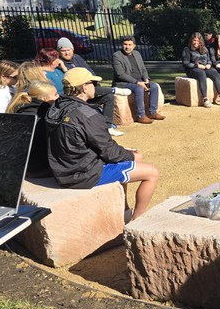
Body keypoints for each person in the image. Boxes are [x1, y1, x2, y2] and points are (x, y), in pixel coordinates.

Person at [46, 68, 159, 222]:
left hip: (65, 167)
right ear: (84, 87)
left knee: (123, 161)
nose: (95, 85)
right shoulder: (87, 115)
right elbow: (110, 152)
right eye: (93, 83)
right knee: (151, 173)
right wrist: (132, 155)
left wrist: (123, 153)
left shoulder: (56, 107)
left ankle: (124, 211)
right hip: (83, 174)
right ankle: (137, 221)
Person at [57, 36, 128, 136]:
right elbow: (71, 82)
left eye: (68, 50)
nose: (67, 53)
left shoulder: (77, 58)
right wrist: (64, 69)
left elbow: (90, 71)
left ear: (72, 49)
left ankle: (108, 126)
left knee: (108, 97)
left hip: (90, 91)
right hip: (78, 95)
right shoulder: (59, 64)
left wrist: (92, 81)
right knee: (88, 87)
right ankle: (112, 90)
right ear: (59, 52)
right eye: (63, 50)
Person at [7, 80, 59, 178]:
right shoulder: (45, 116)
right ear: (43, 98)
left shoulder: (21, 110)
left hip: (21, 166)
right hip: (40, 169)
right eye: (55, 94)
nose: (58, 97)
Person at [112, 36, 165, 124]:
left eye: (130, 45)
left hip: (139, 80)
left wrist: (146, 79)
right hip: (123, 82)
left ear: (134, 46)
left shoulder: (137, 54)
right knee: (138, 88)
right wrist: (137, 82)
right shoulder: (116, 56)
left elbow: (143, 69)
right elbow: (120, 74)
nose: (127, 47)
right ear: (122, 45)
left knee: (154, 86)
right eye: (125, 44)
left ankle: (152, 112)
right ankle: (141, 116)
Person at [182, 32, 220, 107]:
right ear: (191, 41)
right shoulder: (187, 49)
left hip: (205, 67)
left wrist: (209, 64)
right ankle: (205, 99)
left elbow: (209, 60)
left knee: (214, 72)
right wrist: (197, 66)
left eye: (198, 41)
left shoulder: (204, 49)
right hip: (192, 69)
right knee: (201, 74)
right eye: (194, 40)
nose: (196, 42)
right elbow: (186, 63)